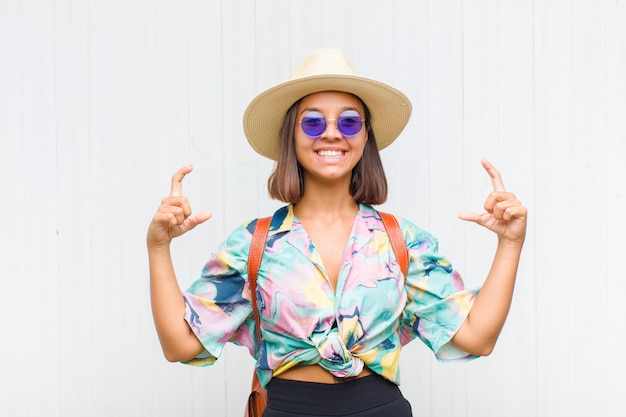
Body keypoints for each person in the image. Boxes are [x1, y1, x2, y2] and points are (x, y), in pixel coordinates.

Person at [147, 48, 527, 417]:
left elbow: (477, 337)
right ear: (291, 137)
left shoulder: (402, 242)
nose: (331, 134)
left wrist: (510, 243)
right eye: (313, 122)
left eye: (349, 122)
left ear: (364, 138)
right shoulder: (252, 245)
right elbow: (179, 345)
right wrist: (158, 247)